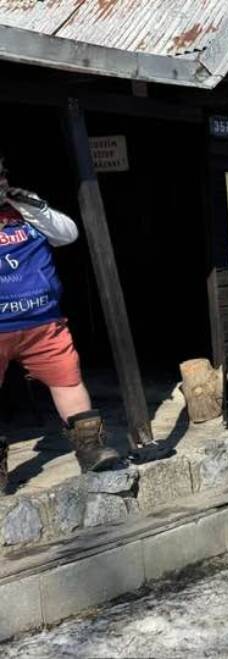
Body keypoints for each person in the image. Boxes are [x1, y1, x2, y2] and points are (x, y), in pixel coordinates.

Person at [0, 160, 120, 493]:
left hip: (43, 323)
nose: (1, 182)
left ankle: (92, 450)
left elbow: (68, 234)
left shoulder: (25, 208)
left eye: (2, 175)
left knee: (67, 380)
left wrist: (33, 205)